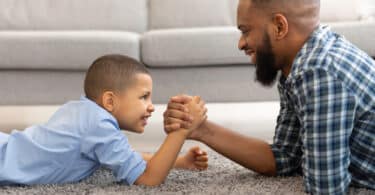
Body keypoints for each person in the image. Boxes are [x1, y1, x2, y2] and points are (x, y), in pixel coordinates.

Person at [163, 0, 375, 194]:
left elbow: (326, 188)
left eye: (245, 31)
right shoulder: (299, 62)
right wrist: (201, 129)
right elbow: (286, 158)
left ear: (279, 27)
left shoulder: (319, 74)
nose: (240, 44)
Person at [0, 54, 208, 186]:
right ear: (109, 101)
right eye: (144, 97)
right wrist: (181, 130)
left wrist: (180, 162)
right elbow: (148, 179)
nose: (152, 106)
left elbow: (124, 156)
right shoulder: (98, 125)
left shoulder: (82, 111)